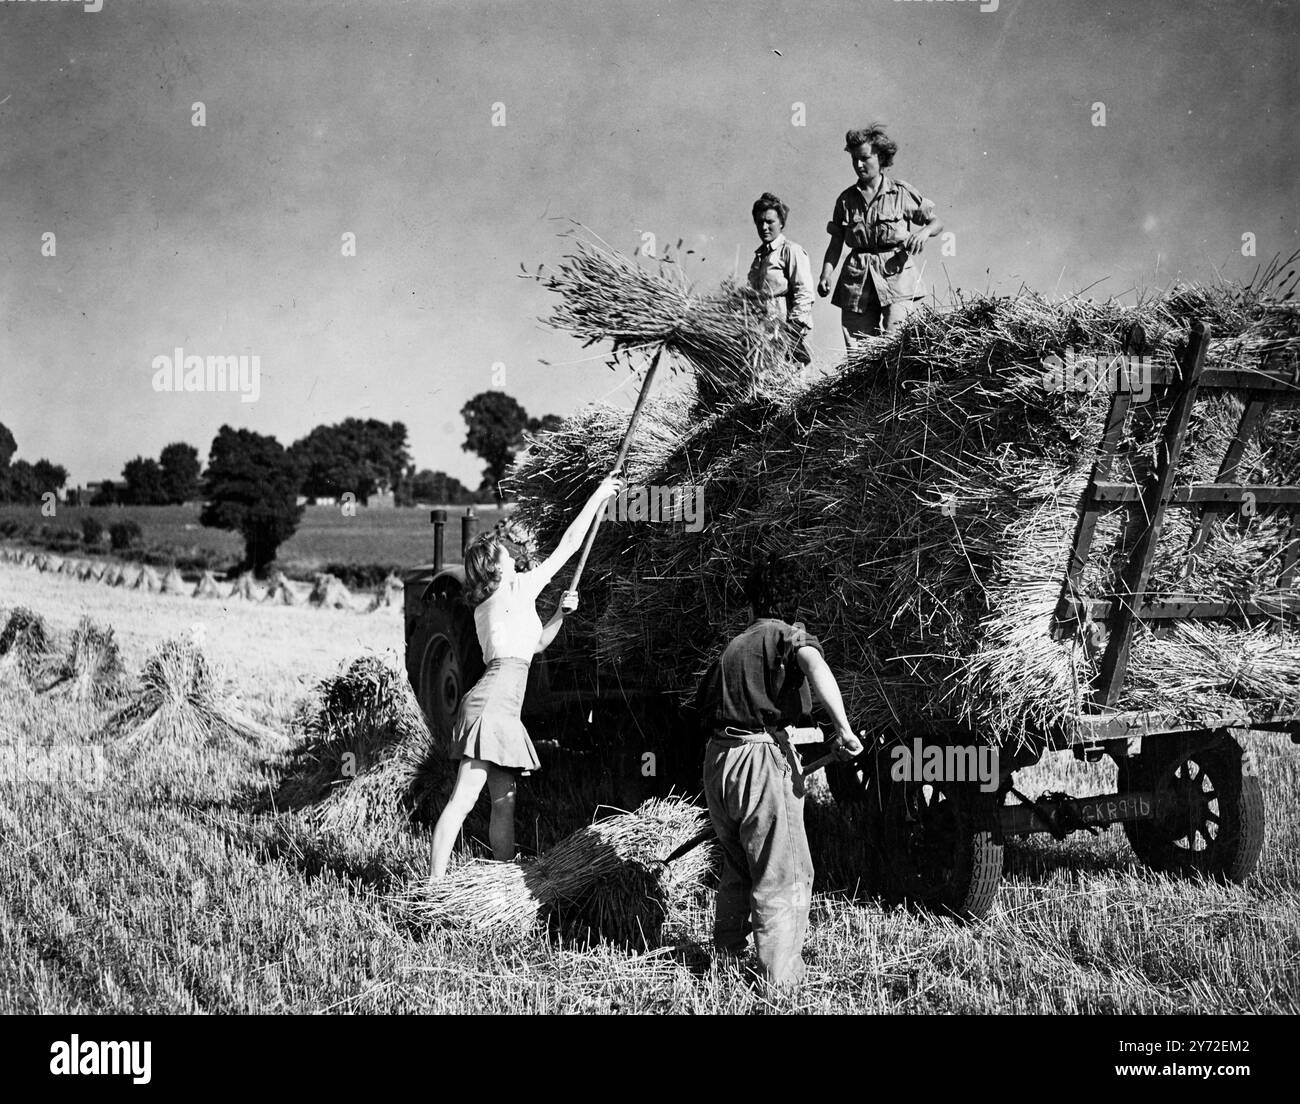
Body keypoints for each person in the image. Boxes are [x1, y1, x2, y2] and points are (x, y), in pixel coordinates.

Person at [428, 471, 624, 881]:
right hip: (492, 706)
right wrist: (599, 495)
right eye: (504, 553)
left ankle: (501, 878)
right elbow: (570, 545)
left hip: (499, 705)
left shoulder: (498, 606)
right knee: (465, 798)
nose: (512, 554)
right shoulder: (513, 591)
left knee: (505, 801)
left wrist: (558, 616)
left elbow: (533, 648)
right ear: (495, 569)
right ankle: (433, 886)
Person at [693, 550, 864, 988]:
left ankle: (726, 959)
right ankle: (781, 981)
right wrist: (842, 728)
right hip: (758, 759)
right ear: (793, 607)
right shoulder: (785, 636)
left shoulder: (733, 647)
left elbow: (701, 706)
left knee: (737, 865)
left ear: (751, 603)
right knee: (781, 869)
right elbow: (813, 663)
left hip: (719, 760)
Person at [817, 124, 944, 349]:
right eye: (854, 159)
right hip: (856, 281)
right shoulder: (845, 200)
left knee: (897, 343)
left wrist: (923, 233)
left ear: (881, 157)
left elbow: (936, 222)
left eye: (864, 158)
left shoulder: (900, 192)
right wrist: (826, 274)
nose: (858, 164)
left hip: (896, 277)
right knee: (858, 350)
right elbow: (836, 241)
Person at [747, 192, 815, 367]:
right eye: (760, 222)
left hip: (785, 328)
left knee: (790, 381)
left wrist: (794, 331)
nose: (764, 227)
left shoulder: (790, 250)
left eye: (770, 222)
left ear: (781, 222)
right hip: (761, 331)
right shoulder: (758, 260)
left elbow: (805, 292)